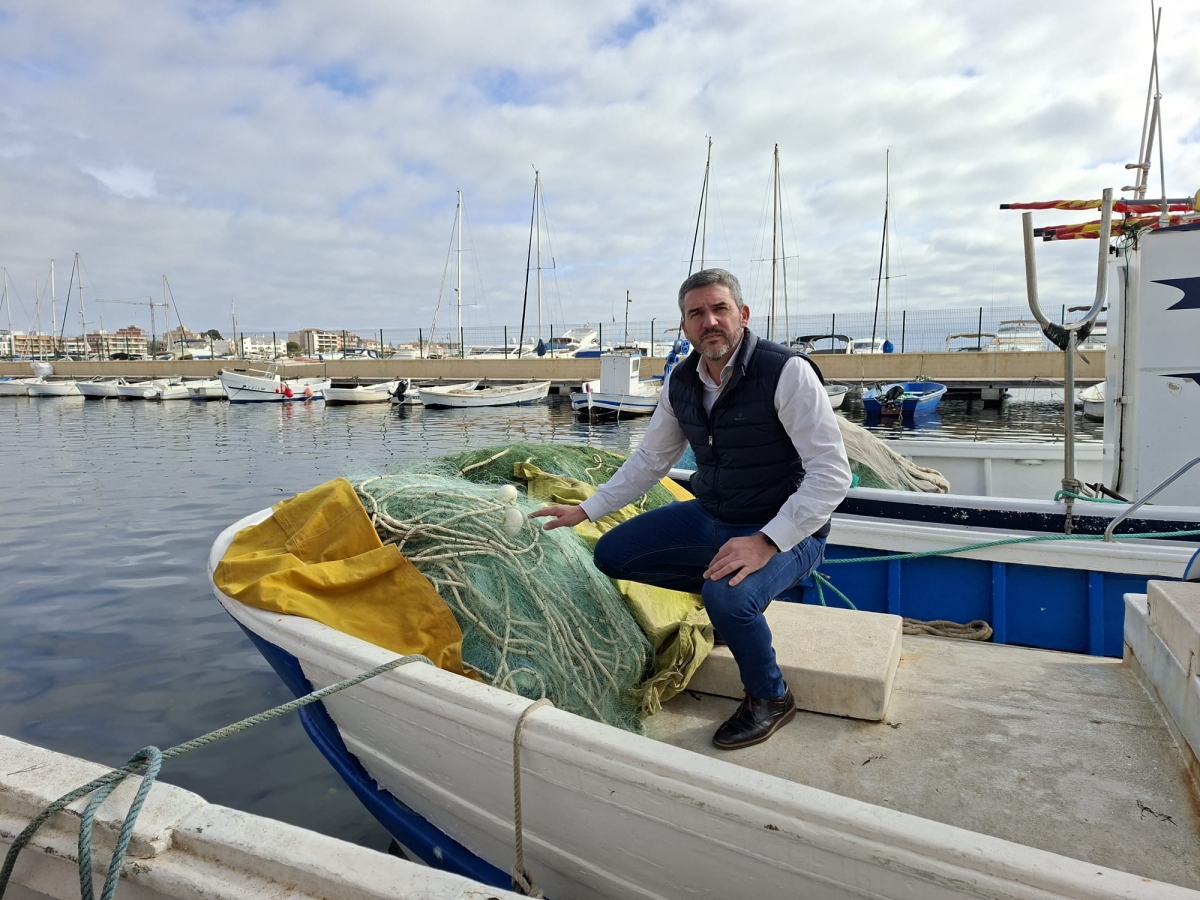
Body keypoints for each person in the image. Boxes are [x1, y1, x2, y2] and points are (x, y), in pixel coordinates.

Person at [531, 268, 852, 749]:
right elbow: (650, 460)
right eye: (696, 313)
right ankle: (730, 615)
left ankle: (770, 696)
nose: (710, 321)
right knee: (614, 554)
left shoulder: (786, 372)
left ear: (742, 315)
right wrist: (588, 509)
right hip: (715, 515)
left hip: (789, 531)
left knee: (726, 597)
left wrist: (767, 541)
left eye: (719, 309)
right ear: (684, 327)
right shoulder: (680, 382)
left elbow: (832, 474)